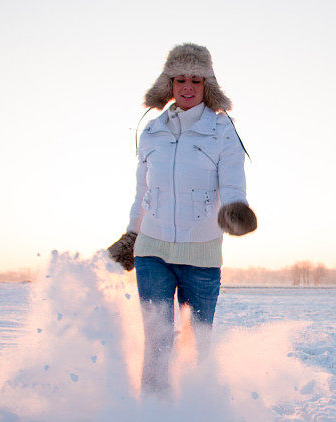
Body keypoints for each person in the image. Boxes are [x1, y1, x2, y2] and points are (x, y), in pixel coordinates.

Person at [107, 43, 256, 396]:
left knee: (197, 344)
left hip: (200, 255)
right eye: (180, 79)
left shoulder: (222, 131)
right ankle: (155, 412)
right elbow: (142, 192)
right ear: (168, 84)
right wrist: (132, 235)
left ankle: (196, 409)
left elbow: (233, 182)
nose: (187, 87)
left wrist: (235, 209)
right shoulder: (152, 131)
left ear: (208, 85)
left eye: (195, 80)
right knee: (157, 342)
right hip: (152, 251)